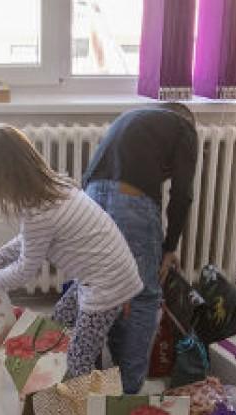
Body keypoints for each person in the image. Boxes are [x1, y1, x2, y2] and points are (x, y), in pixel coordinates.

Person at [0, 124, 142, 380]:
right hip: (102, 275)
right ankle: (79, 376)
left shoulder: (39, 213)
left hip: (106, 284)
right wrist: (1, 256)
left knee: (78, 360)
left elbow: (25, 270)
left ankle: (84, 410)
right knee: (57, 324)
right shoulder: (52, 190)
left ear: (6, 180)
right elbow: (30, 239)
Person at [83, 103, 198, 393]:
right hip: (130, 202)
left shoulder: (131, 120)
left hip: (90, 200)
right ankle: (127, 394)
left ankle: (90, 385)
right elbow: (182, 194)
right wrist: (169, 247)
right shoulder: (184, 127)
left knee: (100, 291)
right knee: (144, 296)